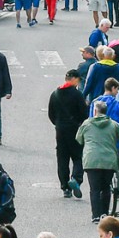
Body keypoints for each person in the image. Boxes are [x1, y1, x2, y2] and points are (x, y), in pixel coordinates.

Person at [49, 69, 88, 199]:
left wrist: (58, 123)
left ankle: (65, 187)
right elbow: (84, 113)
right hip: (75, 129)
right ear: (74, 79)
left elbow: (51, 114)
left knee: (62, 158)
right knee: (77, 156)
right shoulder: (77, 95)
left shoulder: (55, 94)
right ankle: (76, 179)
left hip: (60, 130)